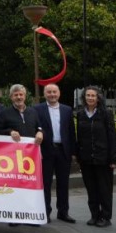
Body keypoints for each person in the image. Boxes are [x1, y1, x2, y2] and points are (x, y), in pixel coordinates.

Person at [0, 84, 43, 227]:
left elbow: (39, 127)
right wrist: (10, 132)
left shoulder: (33, 112)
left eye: (21, 94)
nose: (18, 97)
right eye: (15, 95)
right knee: (14, 187)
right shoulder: (5, 113)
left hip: (31, 158)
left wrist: (41, 132)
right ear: (11, 97)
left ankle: (31, 215)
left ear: (25, 96)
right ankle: (14, 216)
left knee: (30, 186)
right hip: (12, 158)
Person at [76, 86, 116, 228]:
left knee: (104, 189)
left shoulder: (106, 114)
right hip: (87, 159)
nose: (90, 98)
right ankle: (94, 215)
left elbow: (112, 136)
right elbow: (79, 137)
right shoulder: (81, 114)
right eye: (88, 95)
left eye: (93, 96)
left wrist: (113, 158)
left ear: (98, 98)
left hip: (103, 159)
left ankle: (106, 217)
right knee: (91, 189)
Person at [35, 83, 77, 224]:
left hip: (63, 150)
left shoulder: (67, 110)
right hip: (46, 150)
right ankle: (45, 212)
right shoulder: (37, 109)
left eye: (54, 92)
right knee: (45, 183)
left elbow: (71, 132)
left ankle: (63, 212)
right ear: (45, 94)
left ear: (59, 93)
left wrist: (73, 151)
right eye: (49, 92)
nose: (52, 94)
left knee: (63, 183)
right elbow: (36, 127)